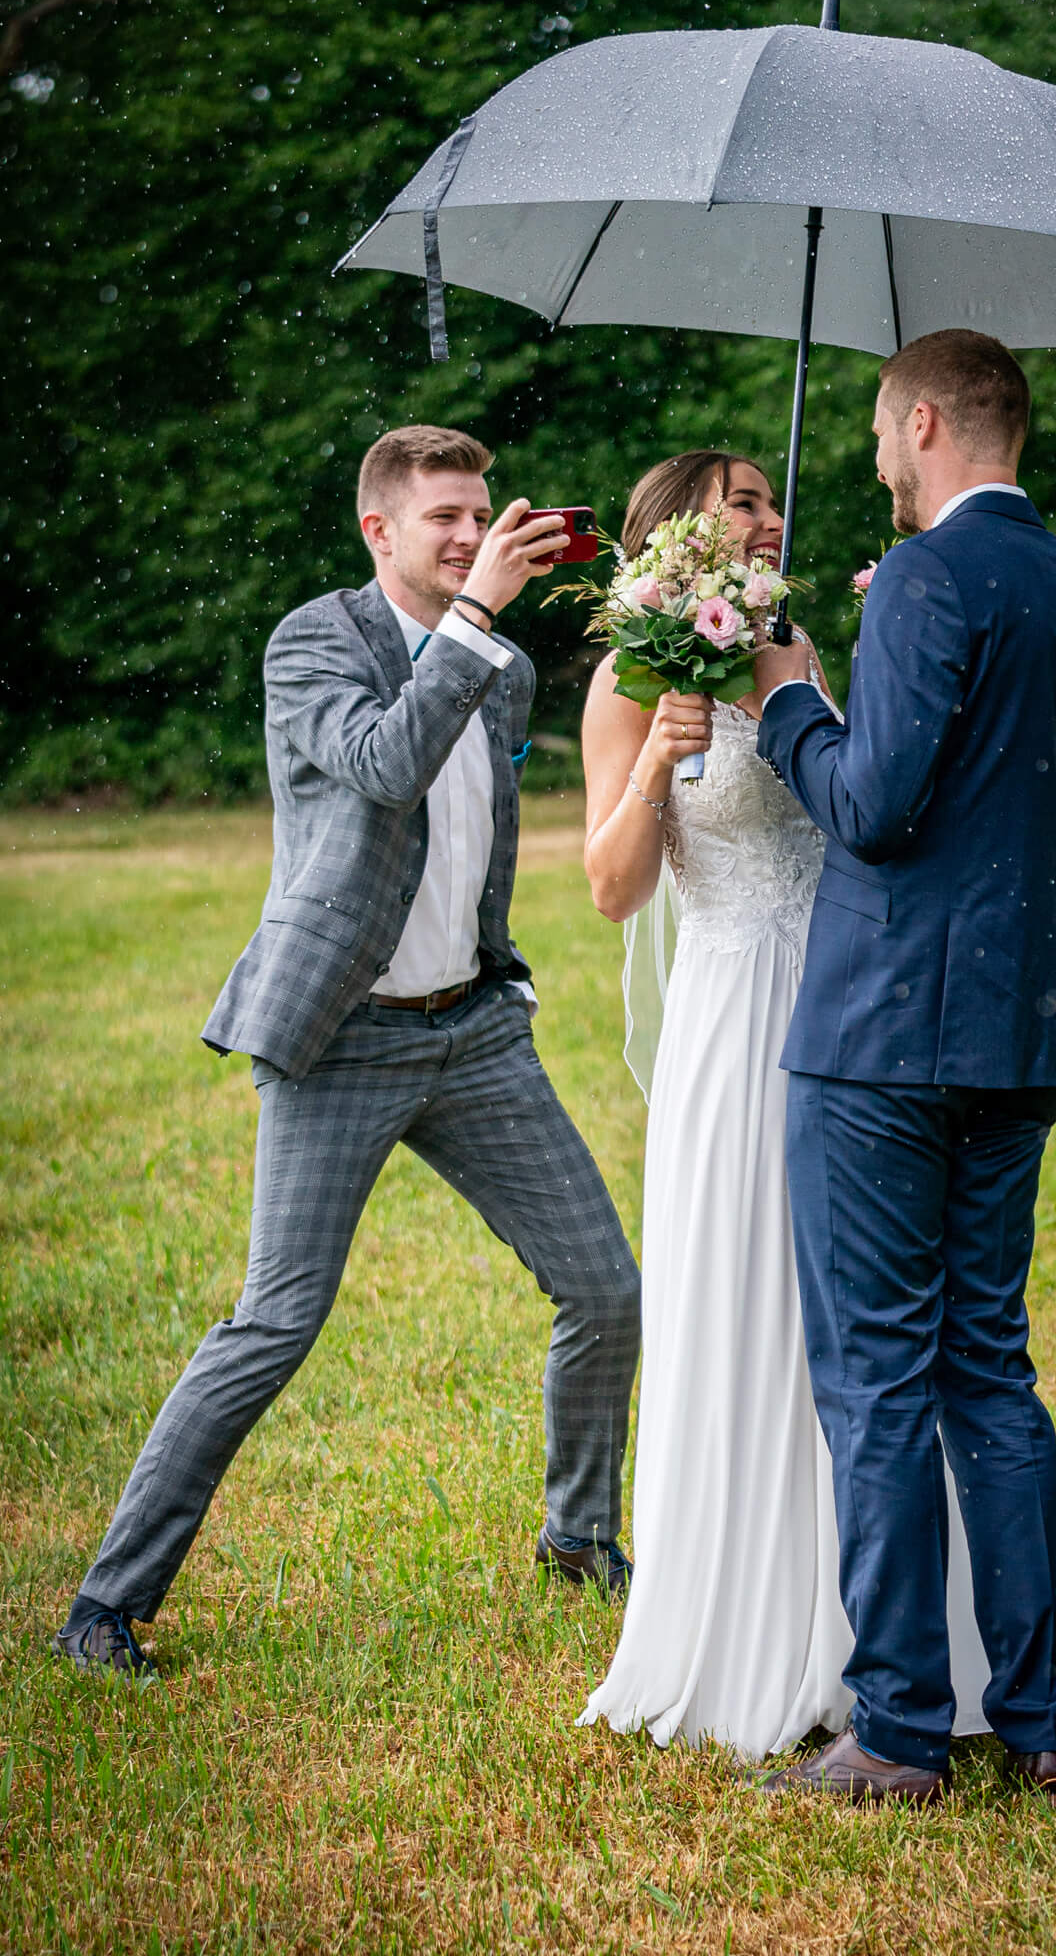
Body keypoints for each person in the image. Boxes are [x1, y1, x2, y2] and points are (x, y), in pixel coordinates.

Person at [53, 425, 642, 1676]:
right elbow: (385, 767)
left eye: (480, 513)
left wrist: (497, 964)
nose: (473, 535)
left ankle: (580, 1540)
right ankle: (105, 1606)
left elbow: (476, 837)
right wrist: (476, 617)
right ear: (379, 530)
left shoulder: (505, 667)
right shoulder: (314, 642)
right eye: (444, 519)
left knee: (604, 1290)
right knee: (273, 1324)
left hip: (473, 1028)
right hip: (343, 1035)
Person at [575, 439, 1056, 1764]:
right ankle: (750, 1621)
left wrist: (1039, 810)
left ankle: (875, 1638)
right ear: (676, 542)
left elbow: (886, 810)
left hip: (854, 1013)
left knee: (875, 1347)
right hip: (730, 1029)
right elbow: (612, 885)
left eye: (769, 500)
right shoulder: (629, 677)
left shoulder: (810, 652)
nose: (768, 518)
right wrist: (658, 760)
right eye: (740, 504)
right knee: (769, 1313)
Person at [750, 329, 1056, 1805]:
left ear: (925, 420)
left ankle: (901, 1726)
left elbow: (877, 806)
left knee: (881, 1385)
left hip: (882, 1041)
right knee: (992, 1375)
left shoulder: (921, 579)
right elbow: (1008, 804)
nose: (872, 459)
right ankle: (1037, 1714)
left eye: (877, 433)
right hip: (1016, 1027)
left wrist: (794, 691)